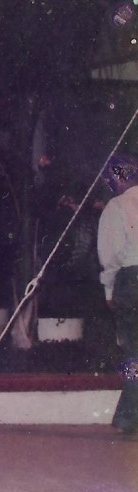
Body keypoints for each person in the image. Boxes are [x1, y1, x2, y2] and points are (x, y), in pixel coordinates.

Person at [97, 153, 138, 435]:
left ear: (117, 177)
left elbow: (110, 255)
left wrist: (109, 289)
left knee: (132, 351)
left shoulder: (117, 206)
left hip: (132, 281)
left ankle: (130, 415)